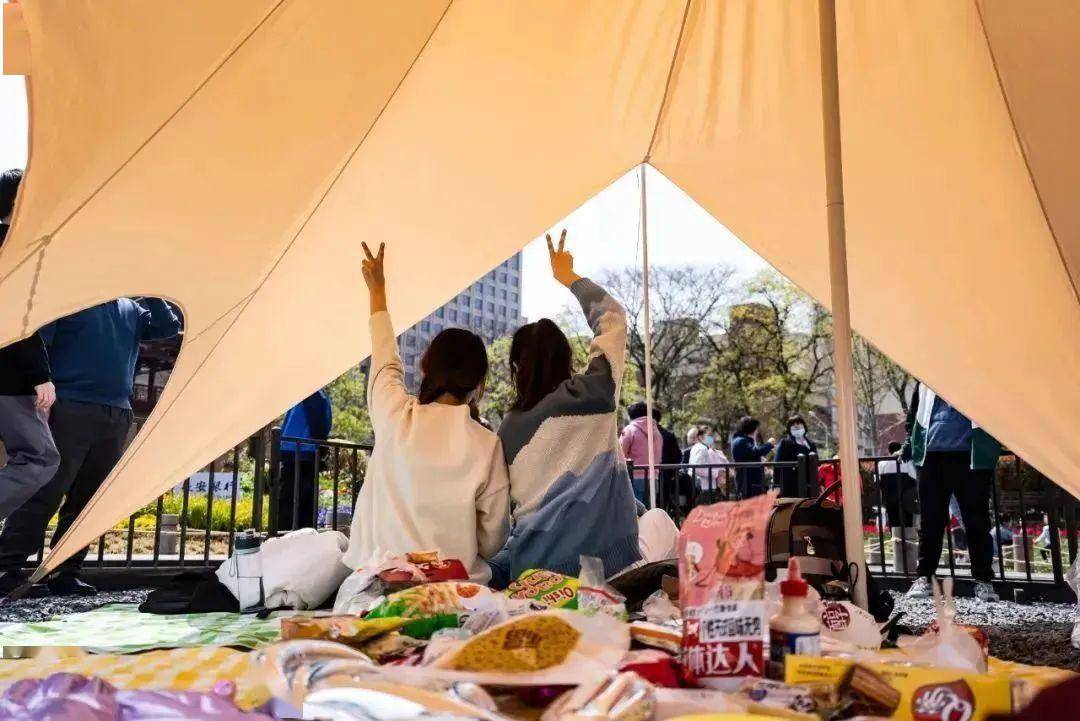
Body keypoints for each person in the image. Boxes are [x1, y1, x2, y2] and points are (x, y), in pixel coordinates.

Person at [342, 242, 510, 583]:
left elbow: (384, 358)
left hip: (378, 590)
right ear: (479, 384)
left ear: (426, 368)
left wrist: (378, 291)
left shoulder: (395, 417)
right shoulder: (487, 445)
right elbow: (493, 542)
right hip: (455, 595)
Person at [489, 230, 646, 586]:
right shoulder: (595, 392)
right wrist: (568, 276)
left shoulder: (509, 428)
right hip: (606, 570)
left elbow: (503, 518)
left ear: (516, 368)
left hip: (534, 573)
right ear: (566, 358)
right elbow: (613, 318)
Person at [0, 295, 181, 598]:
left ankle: (65, 571)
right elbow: (39, 342)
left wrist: (152, 293)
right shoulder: (74, 299)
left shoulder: (131, 307)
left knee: (88, 499)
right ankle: (7, 567)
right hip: (68, 405)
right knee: (46, 491)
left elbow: (167, 328)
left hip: (117, 412)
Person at [901, 382, 1000, 602]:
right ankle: (924, 577)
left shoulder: (975, 378)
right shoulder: (924, 382)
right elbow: (914, 414)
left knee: (976, 521)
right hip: (931, 457)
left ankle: (983, 580)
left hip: (970, 456)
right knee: (930, 521)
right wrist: (909, 440)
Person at [0, 169, 61, 523]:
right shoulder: (14, 248)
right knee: (39, 457)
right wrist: (40, 375)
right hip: (9, 377)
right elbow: (17, 317)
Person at [276, 390, 333, 531]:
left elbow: (318, 424)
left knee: (292, 503)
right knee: (300, 503)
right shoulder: (315, 394)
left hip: (300, 451)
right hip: (301, 451)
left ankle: (287, 535)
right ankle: (297, 534)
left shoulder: (311, 393)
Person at [878, 440, 920, 573]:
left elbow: (878, 482)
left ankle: (899, 565)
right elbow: (915, 477)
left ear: (889, 450)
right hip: (908, 501)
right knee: (909, 530)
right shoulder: (907, 462)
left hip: (890, 501)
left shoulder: (882, 463)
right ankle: (910, 564)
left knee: (895, 530)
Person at [619, 401, 663, 504]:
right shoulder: (657, 432)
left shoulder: (629, 430)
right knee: (649, 509)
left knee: (635, 510)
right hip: (653, 477)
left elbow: (620, 453)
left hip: (634, 477)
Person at [773, 415, 818, 497]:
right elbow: (777, 464)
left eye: (798, 423)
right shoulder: (785, 443)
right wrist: (777, 485)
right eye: (793, 425)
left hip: (809, 483)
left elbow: (816, 462)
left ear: (804, 426)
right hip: (790, 484)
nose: (796, 426)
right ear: (789, 429)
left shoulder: (811, 444)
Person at [730, 416, 774, 498]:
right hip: (748, 484)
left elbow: (751, 455)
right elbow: (755, 452)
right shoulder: (741, 441)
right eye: (756, 429)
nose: (757, 432)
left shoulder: (742, 440)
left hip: (751, 483)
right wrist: (769, 445)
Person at [687, 425, 728, 497]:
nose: (710, 438)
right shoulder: (702, 448)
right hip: (705, 486)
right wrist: (717, 472)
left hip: (706, 485)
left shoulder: (701, 447)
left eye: (711, 436)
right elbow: (698, 469)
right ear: (700, 437)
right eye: (708, 436)